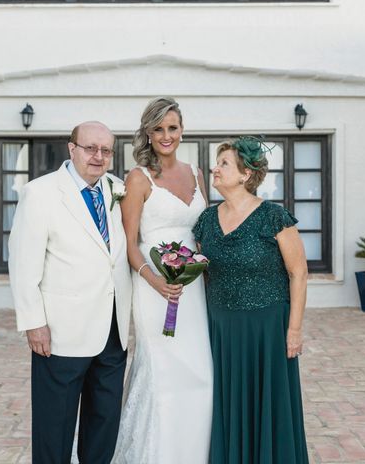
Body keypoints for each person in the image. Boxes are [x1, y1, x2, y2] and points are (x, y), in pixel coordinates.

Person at [8, 121, 132, 464]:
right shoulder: (41, 193)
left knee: (104, 423)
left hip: (113, 330)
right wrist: (34, 323)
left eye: (106, 150)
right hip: (61, 333)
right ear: (71, 148)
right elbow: (23, 265)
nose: (99, 156)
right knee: (54, 427)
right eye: (91, 148)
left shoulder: (118, 189)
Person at [193, 137, 309, 464]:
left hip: (266, 329)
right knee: (227, 402)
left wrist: (294, 330)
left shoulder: (274, 217)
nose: (215, 168)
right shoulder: (206, 220)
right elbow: (203, 271)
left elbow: (298, 273)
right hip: (221, 329)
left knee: (268, 404)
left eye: (224, 163)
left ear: (245, 174)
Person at [112, 97, 213, 463]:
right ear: (148, 134)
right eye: (159, 129)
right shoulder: (138, 179)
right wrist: (155, 281)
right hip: (154, 288)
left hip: (194, 287)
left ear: (182, 130)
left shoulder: (198, 173)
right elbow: (129, 243)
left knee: (200, 368)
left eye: (172, 128)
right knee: (167, 372)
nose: (166, 135)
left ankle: (195, 453)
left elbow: (204, 232)